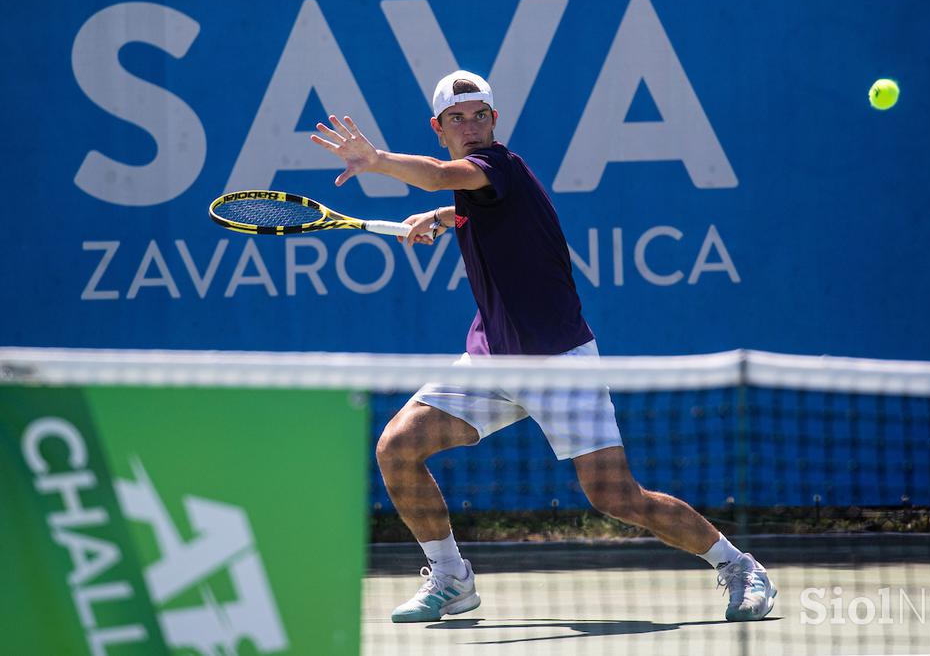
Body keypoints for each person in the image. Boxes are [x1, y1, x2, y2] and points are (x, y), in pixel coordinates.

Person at [310, 70, 776, 623]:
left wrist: (379, 161)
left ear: (494, 121)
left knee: (616, 497)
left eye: (479, 114)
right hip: (491, 359)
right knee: (397, 447)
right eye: (456, 119)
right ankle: (451, 578)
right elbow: (463, 202)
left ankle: (739, 566)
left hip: (558, 362)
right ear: (439, 128)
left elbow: (441, 176)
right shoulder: (474, 192)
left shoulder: (498, 166)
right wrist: (441, 219)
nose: (470, 126)